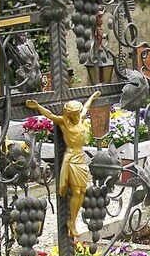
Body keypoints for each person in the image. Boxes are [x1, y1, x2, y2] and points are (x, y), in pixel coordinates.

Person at [26, 91, 101, 238]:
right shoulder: (64, 122)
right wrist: (37, 106)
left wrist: (92, 96)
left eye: (77, 114)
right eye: (72, 115)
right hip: (71, 158)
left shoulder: (80, 118)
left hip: (80, 157)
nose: (75, 117)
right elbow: (49, 115)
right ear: (68, 114)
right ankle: (71, 222)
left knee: (83, 191)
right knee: (76, 192)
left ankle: (73, 219)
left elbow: (87, 106)